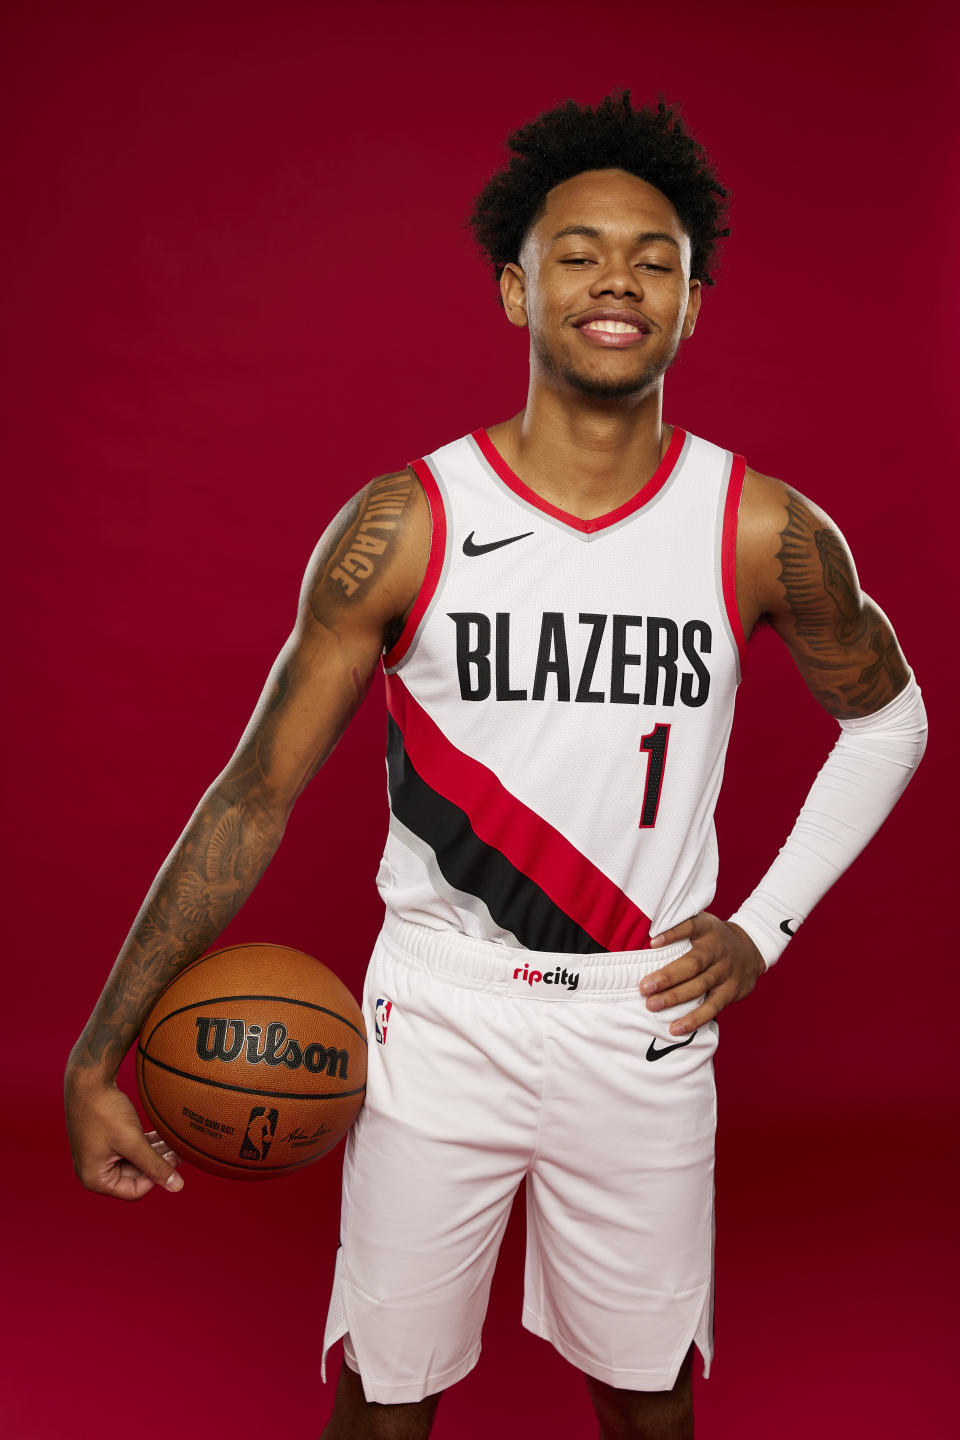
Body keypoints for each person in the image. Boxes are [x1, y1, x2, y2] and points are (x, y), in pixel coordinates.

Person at [65, 92, 927, 1440]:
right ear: (516, 288)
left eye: (656, 258)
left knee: (648, 1398)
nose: (618, 281)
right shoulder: (408, 522)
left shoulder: (762, 528)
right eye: (579, 252)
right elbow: (253, 795)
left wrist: (762, 929)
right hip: (438, 1018)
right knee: (385, 1396)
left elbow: (893, 718)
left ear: (693, 306)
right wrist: (98, 1055)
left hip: (640, 1016)